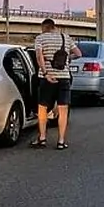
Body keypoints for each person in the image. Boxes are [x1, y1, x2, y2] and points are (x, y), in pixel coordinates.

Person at [30, 18, 81, 150]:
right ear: (54, 27)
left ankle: (42, 138)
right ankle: (61, 141)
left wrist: (45, 72)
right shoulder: (66, 38)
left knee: (42, 108)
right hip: (64, 78)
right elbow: (78, 54)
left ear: (44, 27)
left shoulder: (40, 38)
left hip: (47, 78)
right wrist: (67, 59)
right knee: (63, 109)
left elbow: (39, 57)